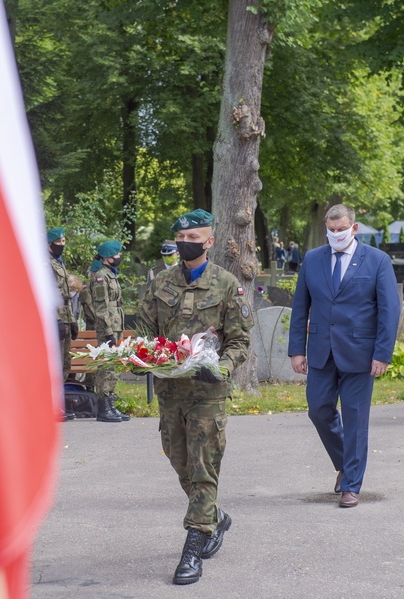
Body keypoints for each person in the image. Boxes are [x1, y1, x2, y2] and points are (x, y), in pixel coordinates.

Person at [137, 209, 252, 585]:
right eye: (181, 238)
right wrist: (138, 356)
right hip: (170, 392)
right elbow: (144, 331)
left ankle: (193, 547)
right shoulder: (161, 283)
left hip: (208, 392)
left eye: (194, 238)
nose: (186, 244)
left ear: (210, 242)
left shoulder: (226, 283)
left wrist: (221, 366)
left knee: (203, 469)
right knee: (179, 461)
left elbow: (239, 340)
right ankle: (215, 517)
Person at [288, 204, 400, 508]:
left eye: (341, 229)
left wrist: (382, 353)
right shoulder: (312, 259)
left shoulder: (377, 261)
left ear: (354, 228)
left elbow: (389, 311)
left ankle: (351, 484)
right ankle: (343, 461)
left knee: (355, 419)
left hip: (360, 354)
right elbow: (301, 307)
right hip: (321, 351)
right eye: (331, 229)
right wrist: (297, 349)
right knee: (318, 410)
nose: (335, 234)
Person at [88, 240, 129, 423]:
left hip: (116, 323)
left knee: (115, 364)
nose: (119, 257)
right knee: (107, 365)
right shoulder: (100, 276)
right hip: (107, 327)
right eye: (117, 255)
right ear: (107, 257)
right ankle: (104, 407)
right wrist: (108, 331)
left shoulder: (111, 274)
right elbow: (101, 306)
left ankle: (111, 403)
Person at [48, 228, 79, 420]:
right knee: (54, 364)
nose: (63, 244)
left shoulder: (58, 263)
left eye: (64, 241)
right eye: (59, 242)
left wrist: (71, 321)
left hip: (65, 316)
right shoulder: (45, 264)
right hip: (55, 318)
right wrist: (55, 321)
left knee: (64, 363)